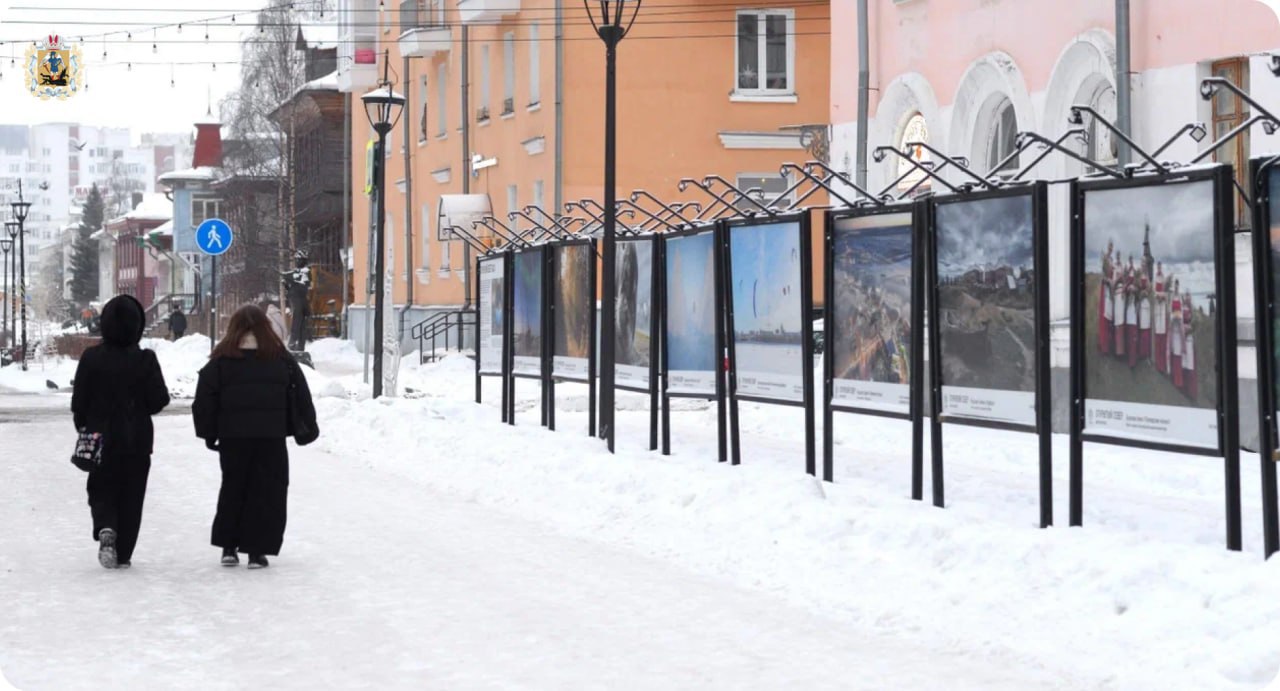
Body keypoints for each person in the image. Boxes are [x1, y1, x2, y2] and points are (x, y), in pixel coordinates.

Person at [193, 305, 317, 569]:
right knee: (267, 492)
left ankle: (229, 547)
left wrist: (209, 432)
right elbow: (300, 395)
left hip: (232, 438)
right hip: (271, 437)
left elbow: (204, 399)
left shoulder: (221, 360)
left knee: (233, 487)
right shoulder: (280, 359)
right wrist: (307, 427)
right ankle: (256, 551)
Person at [70, 294, 171, 569]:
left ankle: (105, 525)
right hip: (137, 438)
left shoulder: (91, 358)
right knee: (132, 494)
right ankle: (123, 552)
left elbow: (79, 402)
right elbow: (159, 399)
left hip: (99, 437)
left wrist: (84, 425)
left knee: (100, 487)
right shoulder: (145, 360)